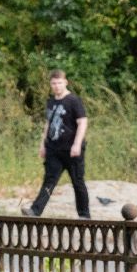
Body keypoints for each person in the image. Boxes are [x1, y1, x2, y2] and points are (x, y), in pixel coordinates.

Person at [23, 69, 90, 219]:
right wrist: (43, 144)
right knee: (49, 180)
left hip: (71, 149)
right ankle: (35, 211)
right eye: (53, 83)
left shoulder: (73, 100)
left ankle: (84, 215)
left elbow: (82, 122)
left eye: (59, 83)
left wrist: (77, 144)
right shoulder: (51, 102)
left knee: (78, 182)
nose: (57, 86)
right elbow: (48, 123)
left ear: (65, 82)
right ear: (50, 84)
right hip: (54, 149)